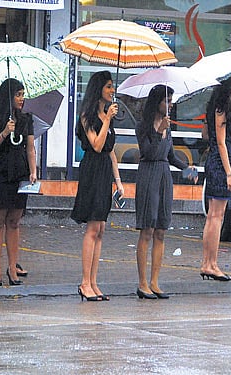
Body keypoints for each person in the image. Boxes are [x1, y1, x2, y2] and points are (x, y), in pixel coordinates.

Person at [135, 85, 198, 299]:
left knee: (161, 229)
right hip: (148, 173)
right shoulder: (143, 126)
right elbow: (148, 152)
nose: (170, 105)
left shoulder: (168, 127)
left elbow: (169, 156)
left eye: (171, 100)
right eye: (167, 101)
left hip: (164, 175)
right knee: (148, 229)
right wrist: (158, 130)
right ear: (157, 102)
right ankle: (142, 282)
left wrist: (186, 168)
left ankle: (154, 281)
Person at [71, 70, 123, 302]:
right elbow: (98, 145)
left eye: (113, 87)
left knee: (101, 229)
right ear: (99, 89)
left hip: (105, 173)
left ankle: (93, 281)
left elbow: (111, 152)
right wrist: (107, 120)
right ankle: (84, 282)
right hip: (92, 170)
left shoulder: (105, 115)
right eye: (109, 87)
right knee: (92, 228)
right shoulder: (88, 115)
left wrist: (118, 181)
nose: (112, 91)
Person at [0, 78, 36, 287]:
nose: (22, 99)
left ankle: (13, 268)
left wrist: (33, 171)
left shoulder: (26, 119)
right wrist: (4, 132)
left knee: (14, 222)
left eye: (23, 94)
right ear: (8, 96)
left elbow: (30, 148)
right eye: (18, 94)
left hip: (19, 173)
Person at [200, 73, 231, 282]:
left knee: (213, 216)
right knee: (217, 216)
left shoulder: (214, 106)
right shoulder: (222, 107)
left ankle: (208, 262)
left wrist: (230, 132)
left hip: (214, 161)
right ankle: (211, 264)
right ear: (229, 86)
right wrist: (229, 174)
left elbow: (205, 135)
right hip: (219, 163)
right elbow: (218, 142)